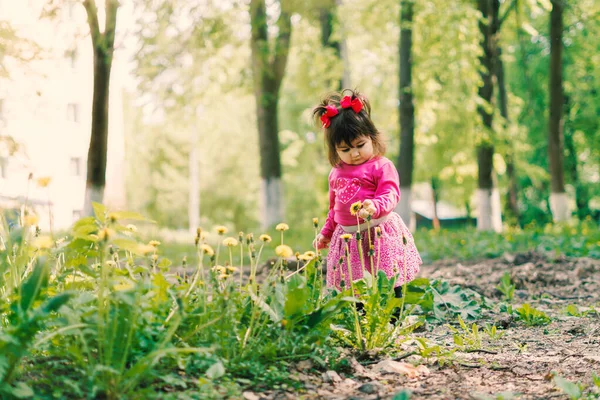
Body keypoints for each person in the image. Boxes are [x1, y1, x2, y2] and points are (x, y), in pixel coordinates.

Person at [312, 89, 422, 299]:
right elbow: (334, 209)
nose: (354, 154)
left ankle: (392, 318)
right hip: (348, 238)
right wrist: (326, 233)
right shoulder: (336, 173)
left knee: (388, 278)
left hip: (378, 234)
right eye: (345, 150)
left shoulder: (381, 166)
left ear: (372, 138)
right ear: (335, 150)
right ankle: (362, 321)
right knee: (355, 284)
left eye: (360, 146)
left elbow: (390, 193)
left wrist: (375, 206)